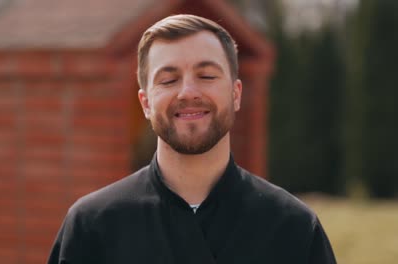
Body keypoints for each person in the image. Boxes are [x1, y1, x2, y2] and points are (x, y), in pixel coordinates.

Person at [48, 14, 337, 264]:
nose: (188, 92)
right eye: (169, 80)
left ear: (236, 94)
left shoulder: (292, 228)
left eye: (207, 76)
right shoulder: (92, 226)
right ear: (145, 103)